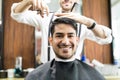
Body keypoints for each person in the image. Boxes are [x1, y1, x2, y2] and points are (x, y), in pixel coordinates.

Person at [11, 0, 112, 63]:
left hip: (73, 72)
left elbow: (106, 38)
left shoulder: (84, 23)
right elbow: (17, 15)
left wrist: (88, 22)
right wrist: (28, 1)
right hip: (47, 72)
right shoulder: (45, 17)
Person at [25, 17, 105, 80]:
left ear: (77, 40)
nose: (65, 42)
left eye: (70, 36)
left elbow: (106, 36)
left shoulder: (93, 76)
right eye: (59, 36)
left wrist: (89, 22)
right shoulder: (35, 77)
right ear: (51, 40)